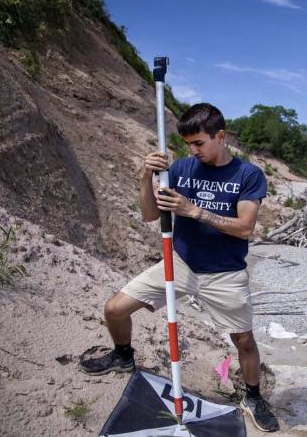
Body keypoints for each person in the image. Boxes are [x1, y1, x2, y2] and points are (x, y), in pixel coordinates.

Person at [78, 103, 279, 432]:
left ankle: (253, 396)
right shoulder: (182, 168)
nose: (193, 151)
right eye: (188, 145)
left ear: (220, 136)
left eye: (199, 143)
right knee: (115, 308)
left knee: (243, 340)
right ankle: (123, 354)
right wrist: (146, 176)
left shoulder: (248, 174)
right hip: (179, 264)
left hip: (224, 273)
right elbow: (148, 215)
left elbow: (245, 227)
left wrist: (193, 210)